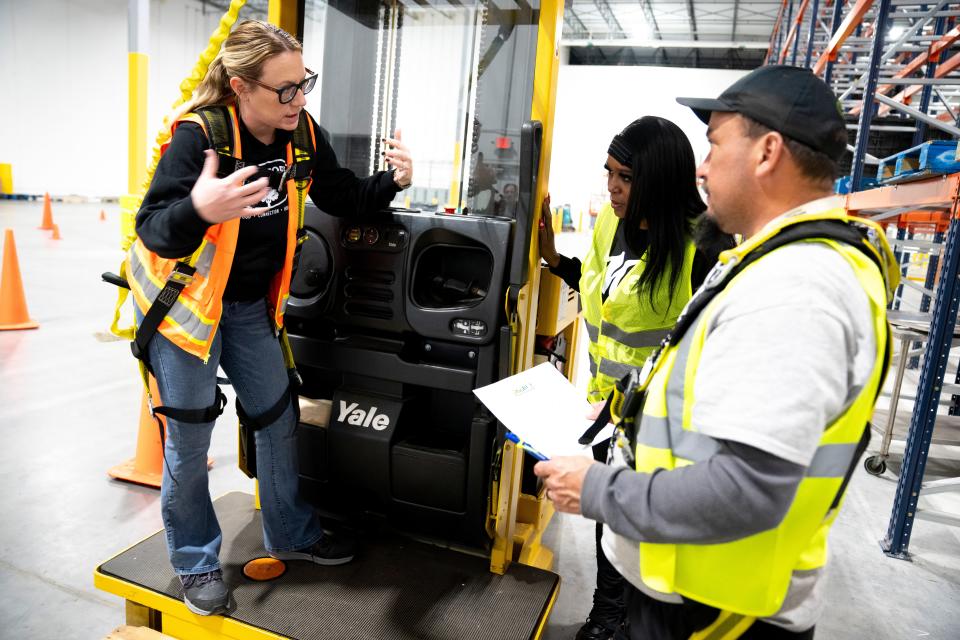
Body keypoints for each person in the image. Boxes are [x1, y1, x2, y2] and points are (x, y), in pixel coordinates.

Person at [534, 66, 897, 639]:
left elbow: (749, 489)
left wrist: (598, 488)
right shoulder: (773, 264)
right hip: (696, 588)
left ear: (767, 153)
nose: (702, 169)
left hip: (718, 614)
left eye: (715, 144)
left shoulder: (797, 287)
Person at [128, 20, 413, 616]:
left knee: (278, 415)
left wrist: (393, 182)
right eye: (285, 89)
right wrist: (198, 208)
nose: (299, 99)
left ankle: (292, 533)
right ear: (240, 87)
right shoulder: (201, 137)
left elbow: (338, 193)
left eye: (303, 84)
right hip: (185, 312)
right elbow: (152, 226)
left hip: (250, 308)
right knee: (187, 441)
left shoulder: (302, 134)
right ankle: (197, 562)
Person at [538, 116, 732, 640]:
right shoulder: (609, 221)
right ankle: (607, 613)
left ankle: (636, 622)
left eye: (625, 176)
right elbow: (601, 288)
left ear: (660, 180)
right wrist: (555, 258)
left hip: (667, 427)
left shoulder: (704, 246)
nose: (612, 187)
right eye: (609, 172)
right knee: (610, 522)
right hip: (609, 413)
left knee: (647, 534)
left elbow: (703, 352)